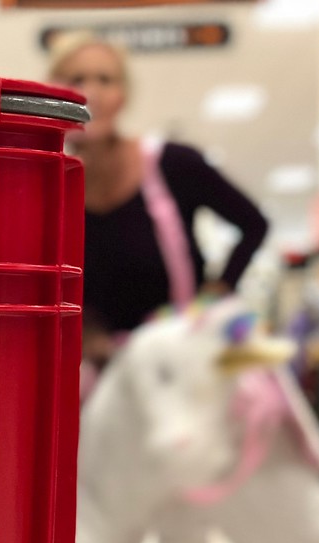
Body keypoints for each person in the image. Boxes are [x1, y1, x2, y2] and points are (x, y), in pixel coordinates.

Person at [48, 32, 269, 369]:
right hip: (99, 379)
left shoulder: (175, 165)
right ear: (54, 93)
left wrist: (216, 295)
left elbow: (254, 224)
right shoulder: (47, 189)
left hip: (182, 366)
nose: (89, 92)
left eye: (105, 79)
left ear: (122, 95)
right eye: (77, 78)